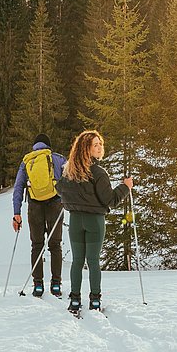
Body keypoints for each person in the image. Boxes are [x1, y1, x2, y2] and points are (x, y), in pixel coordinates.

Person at [56, 130, 133, 314]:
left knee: (77, 261)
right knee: (93, 261)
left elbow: (59, 189)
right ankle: (95, 301)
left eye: (100, 144)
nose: (100, 147)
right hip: (94, 222)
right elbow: (111, 200)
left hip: (75, 220)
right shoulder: (98, 172)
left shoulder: (70, 171)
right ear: (86, 149)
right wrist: (125, 187)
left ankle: (75, 300)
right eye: (96, 145)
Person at [12, 133, 67, 298]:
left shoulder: (27, 161)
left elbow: (18, 187)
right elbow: (70, 180)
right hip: (55, 204)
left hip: (34, 206)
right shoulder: (58, 159)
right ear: (49, 145)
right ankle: (56, 284)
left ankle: (38, 285)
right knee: (55, 245)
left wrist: (16, 213)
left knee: (36, 245)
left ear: (34, 146)